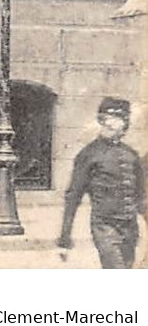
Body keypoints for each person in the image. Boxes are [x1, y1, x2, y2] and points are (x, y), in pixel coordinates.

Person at [58, 97, 145, 269]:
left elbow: (142, 197)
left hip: (130, 228)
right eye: (118, 119)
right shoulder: (89, 154)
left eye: (124, 119)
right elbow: (73, 197)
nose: (122, 125)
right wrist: (64, 239)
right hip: (105, 228)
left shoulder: (131, 155)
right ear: (104, 121)